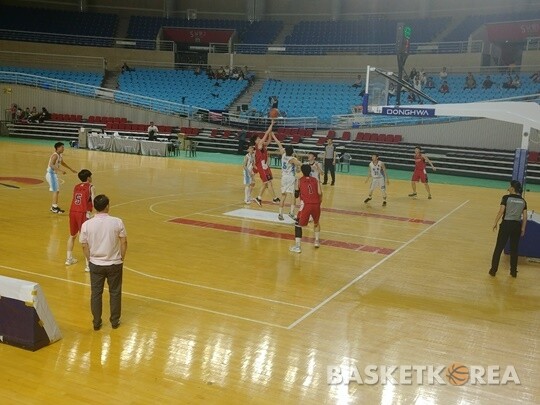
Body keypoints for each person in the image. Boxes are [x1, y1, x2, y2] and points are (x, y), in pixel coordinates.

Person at [80, 194, 127, 331]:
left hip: (96, 264)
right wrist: (121, 257)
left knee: (96, 293)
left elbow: (84, 245)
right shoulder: (117, 222)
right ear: (107, 206)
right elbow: (123, 241)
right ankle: (115, 321)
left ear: (95, 207)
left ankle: (96, 322)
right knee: (115, 292)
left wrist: (90, 259)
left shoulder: (87, 224)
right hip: (114, 263)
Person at [489, 180, 527, 278]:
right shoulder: (523, 201)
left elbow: (501, 211)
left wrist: (495, 222)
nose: (508, 187)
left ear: (512, 188)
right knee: (514, 249)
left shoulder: (506, 198)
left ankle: (493, 271)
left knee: (499, 248)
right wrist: (523, 228)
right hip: (517, 226)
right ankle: (513, 272)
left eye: (509, 186)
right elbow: (525, 216)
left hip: (506, 224)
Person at [65, 169, 95, 270]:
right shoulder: (91, 187)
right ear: (88, 178)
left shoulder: (76, 186)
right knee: (86, 239)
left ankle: (68, 259)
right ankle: (88, 265)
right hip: (82, 213)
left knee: (72, 235)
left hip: (72, 211)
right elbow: (94, 201)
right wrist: (94, 213)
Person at [290, 164, 322, 253]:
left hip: (306, 205)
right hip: (316, 204)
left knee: (298, 224)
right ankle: (316, 241)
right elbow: (319, 193)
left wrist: (296, 188)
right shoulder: (315, 180)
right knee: (316, 223)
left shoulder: (299, 180)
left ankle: (297, 247)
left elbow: (296, 195)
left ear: (302, 172)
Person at [272, 133, 302, 221]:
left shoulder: (283, 155)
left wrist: (273, 136)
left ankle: (280, 214)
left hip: (283, 177)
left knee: (283, 196)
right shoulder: (292, 159)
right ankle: (291, 212)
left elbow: (279, 143)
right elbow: (300, 164)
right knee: (293, 195)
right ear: (292, 151)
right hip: (290, 177)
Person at [253, 121, 280, 206]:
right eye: (258, 139)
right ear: (255, 141)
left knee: (266, 183)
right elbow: (265, 134)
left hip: (265, 166)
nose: (259, 139)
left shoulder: (262, 145)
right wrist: (271, 124)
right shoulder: (258, 145)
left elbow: (268, 142)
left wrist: (270, 134)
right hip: (261, 167)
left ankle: (258, 198)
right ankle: (274, 198)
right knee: (268, 183)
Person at [46, 142, 77, 213]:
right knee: (56, 191)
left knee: (56, 191)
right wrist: (60, 170)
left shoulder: (60, 155)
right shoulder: (55, 155)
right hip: (51, 174)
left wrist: (71, 169)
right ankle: (54, 207)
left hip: (53, 174)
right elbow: (51, 165)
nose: (63, 148)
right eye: (62, 147)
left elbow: (63, 163)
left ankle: (54, 206)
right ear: (58, 148)